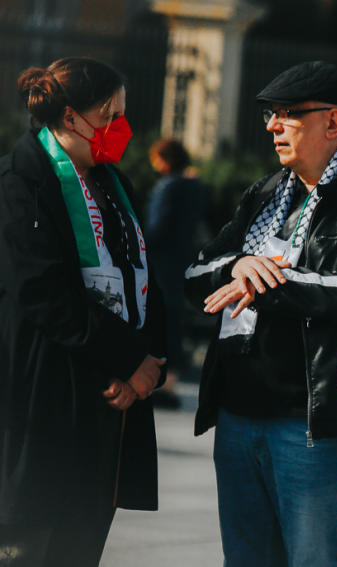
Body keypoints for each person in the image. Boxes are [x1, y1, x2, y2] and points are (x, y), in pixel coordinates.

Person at [184, 60, 337, 566]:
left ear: (333, 122)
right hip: (237, 418)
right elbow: (196, 273)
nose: (272, 125)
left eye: (288, 114)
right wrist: (243, 266)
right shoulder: (267, 193)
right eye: (271, 114)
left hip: (311, 429)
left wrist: (274, 285)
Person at [0, 57, 166, 566]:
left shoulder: (113, 183)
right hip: (45, 399)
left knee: (78, 548)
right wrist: (127, 358)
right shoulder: (21, 179)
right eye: (110, 115)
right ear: (71, 118)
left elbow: (144, 277)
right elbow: (42, 292)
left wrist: (149, 369)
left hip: (108, 403)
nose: (122, 128)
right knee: (30, 548)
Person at [146, 138, 206, 409]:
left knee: (159, 320)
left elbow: (157, 227)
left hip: (161, 263)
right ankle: (170, 382)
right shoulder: (194, 187)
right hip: (182, 261)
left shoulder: (168, 187)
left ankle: (161, 384)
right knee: (174, 322)